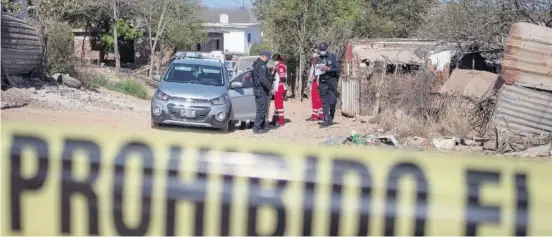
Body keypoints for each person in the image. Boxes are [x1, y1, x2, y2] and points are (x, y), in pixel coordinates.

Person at [316, 42, 340, 128]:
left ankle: (331, 116)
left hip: (332, 81)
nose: (322, 51)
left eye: (323, 49)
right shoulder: (318, 59)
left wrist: (329, 69)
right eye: (321, 49)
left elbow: (338, 69)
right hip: (322, 81)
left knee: (332, 101)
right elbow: (316, 70)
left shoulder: (332, 57)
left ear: (327, 49)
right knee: (325, 101)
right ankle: (326, 119)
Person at [252, 50, 273, 134]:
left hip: (258, 90)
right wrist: (270, 87)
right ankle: (257, 128)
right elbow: (263, 79)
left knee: (260, 109)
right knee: (262, 109)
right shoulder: (261, 66)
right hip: (261, 91)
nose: (268, 60)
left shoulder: (257, 64)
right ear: (264, 57)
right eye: (268, 58)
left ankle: (260, 126)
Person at [269, 53, 288, 127]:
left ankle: (281, 121)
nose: (274, 62)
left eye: (275, 60)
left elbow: (283, 78)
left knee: (279, 105)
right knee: (277, 105)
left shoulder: (280, 66)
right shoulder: (279, 66)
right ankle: (275, 120)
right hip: (278, 87)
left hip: (280, 87)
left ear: (278, 60)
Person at [306, 50, 324, 122]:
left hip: (317, 82)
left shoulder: (316, 61)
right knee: (320, 99)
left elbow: (314, 73)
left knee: (315, 98)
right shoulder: (323, 60)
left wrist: (309, 82)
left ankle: (314, 116)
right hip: (322, 82)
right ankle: (321, 115)